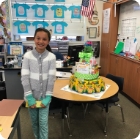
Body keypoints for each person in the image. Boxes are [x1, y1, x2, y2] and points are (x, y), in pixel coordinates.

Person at [21, 28, 56, 139]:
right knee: (34, 122)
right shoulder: (27, 56)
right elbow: (25, 78)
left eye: (44, 39)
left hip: (44, 98)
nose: (41, 41)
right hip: (31, 97)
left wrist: (48, 97)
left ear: (48, 41)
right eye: (38, 38)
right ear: (34, 39)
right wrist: (29, 97)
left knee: (43, 123)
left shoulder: (51, 57)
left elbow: (51, 79)